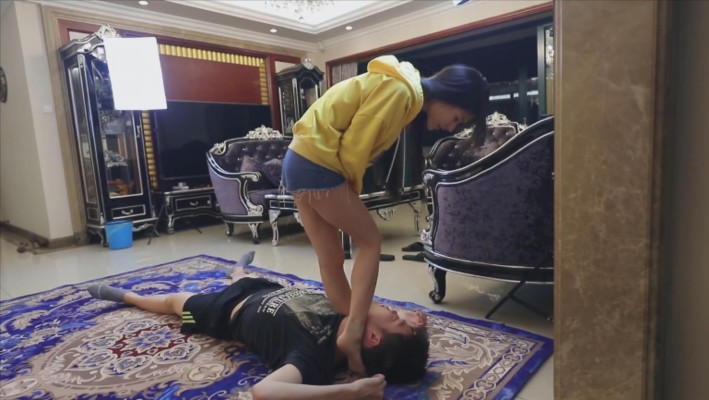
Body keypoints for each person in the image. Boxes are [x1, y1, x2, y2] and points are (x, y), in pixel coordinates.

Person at [282, 54, 489, 374]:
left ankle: (351, 328)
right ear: (452, 95)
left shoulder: (401, 90)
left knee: (331, 257)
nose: (450, 127)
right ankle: (354, 331)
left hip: (298, 159)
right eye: (457, 118)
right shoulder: (400, 92)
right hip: (318, 163)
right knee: (369, 241)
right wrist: (350, 194)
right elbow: (355, 147)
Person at [86, 251, 429, 400]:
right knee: (245, 277)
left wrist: (350, 392)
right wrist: (412, 323)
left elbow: (265, 392)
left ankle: (127, 296)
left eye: (394, 317)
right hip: (267, 289)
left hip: (226, 311)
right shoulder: (350, 314)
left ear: (372, 336)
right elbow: (371, 304)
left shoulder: (314, 356)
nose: (393, 310)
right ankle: (237, 269)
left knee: (175, 302)